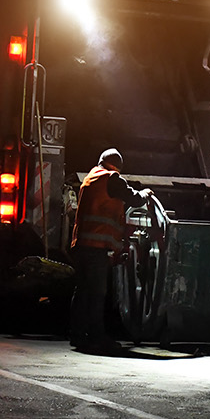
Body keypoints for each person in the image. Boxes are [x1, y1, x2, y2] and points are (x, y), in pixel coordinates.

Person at [70, 148, 153, 351]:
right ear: (117, 166)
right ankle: (97, 337)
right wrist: (145, 193)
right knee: (98, 293)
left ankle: (77, 335)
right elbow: (134, 198)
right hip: (96, 247)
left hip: (81, 245)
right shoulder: (112, 178)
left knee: (82, 291)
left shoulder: (91, 178)